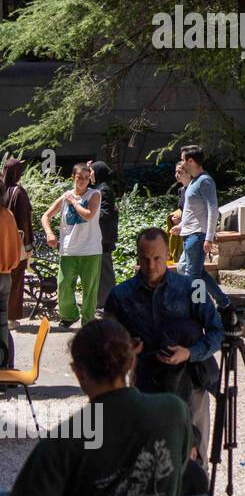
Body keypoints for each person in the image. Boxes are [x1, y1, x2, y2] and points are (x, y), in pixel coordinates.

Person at [0, 319, 190, 496]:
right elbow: (176, 473)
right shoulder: (174, 412)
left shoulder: (64, 441)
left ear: (78, 372)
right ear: (132, 361)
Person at [104, 227, 224, 460]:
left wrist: (189, 353)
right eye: (145, 259)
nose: (151, 266)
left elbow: (217, 331)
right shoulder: (120, 296)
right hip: (145, 384)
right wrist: (125, 349)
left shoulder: (193, 288)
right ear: (137, 257)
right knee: (149, 459)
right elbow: (105, 341)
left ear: (168, 253)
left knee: (193, 460)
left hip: (191, 382)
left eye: (157, 258)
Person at [40, 163, 102, 328]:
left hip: (90, 250)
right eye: (79, 177)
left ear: (90, 179)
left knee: (90, 289)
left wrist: (75, 203)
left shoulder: (94, 194)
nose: (82, 181)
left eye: (86, 178)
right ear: (73, 177)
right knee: (64, 284)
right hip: (69, 249)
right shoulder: (65, 196)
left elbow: (88, 215)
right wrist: (49, 233)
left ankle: (88, 320)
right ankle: (69, 315)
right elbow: (46, 216)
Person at [174, 145, 229, 310]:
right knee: (193, 271)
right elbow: (192, 212)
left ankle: (197, 309)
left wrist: (209, 237)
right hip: (189, 234)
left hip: (197, 236)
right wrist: (181, 226)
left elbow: (213, 209)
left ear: (191, 160)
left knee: (193, 276)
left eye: (183, 160)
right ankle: (224, 303)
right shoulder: (193, 182)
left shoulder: (205, 181)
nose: (182, 163)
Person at [2, 156, 33, 325]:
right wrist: (28, 246)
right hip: (16, 243)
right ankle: (11, 318)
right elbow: (24, 221)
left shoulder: (1, 190)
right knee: (16, 279)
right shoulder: (18, 192)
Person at [89, 160, 118, 312]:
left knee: (105, 271)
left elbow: (105, 213)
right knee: (102, 271)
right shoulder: (101, 187)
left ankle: (108, 303)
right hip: (102, 237)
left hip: (103, 238)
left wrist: (89, 216)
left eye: (92, 172)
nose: (90, 175)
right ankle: (103, 302)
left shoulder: (104, 189)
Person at [0, 200, 21, 367]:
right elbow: (17, 250)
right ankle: (6, 368)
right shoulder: (8, 215)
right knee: (2, 325)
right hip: (5, 276)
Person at [168, 160, 189, 262]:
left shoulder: (195, 190)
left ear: (188, 173)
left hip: (192, 231)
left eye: (180, 172)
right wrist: (175, 217)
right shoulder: (181, 190)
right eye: (176, 172)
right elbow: (182, 209)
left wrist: (181, 221)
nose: (177, 175)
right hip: (182, 229)